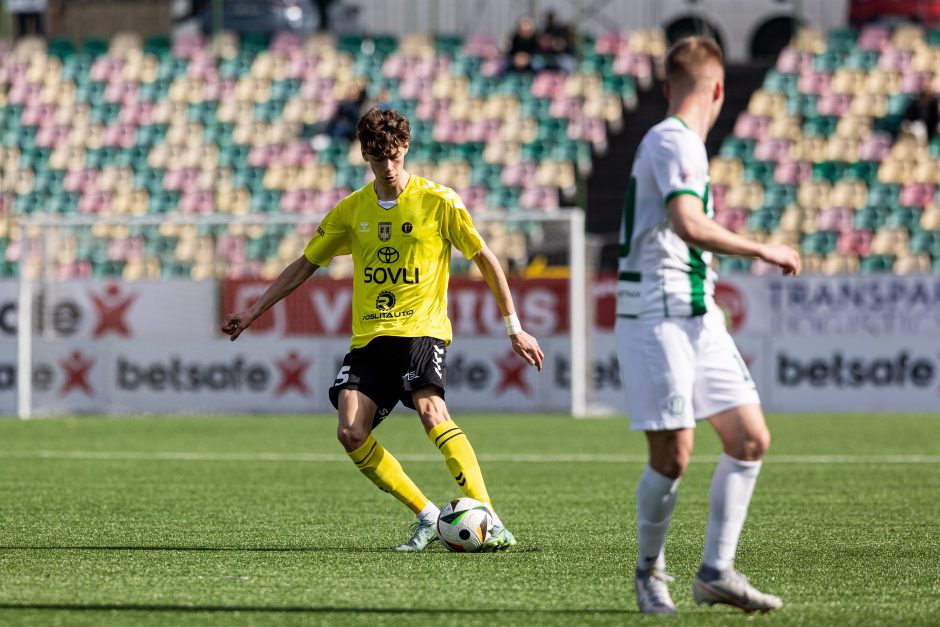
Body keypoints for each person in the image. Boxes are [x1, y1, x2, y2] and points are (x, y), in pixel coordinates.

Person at [222, 107, 544, 551]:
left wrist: (515, 327)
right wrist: (254, 310)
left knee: (432, 413)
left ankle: (489, 515)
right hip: (369, 337)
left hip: (421, 330)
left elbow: (485, 259)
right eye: (378, 158)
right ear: (365, 156)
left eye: (393, 155)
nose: (388, 167)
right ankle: (429, 516)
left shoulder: (439, 201)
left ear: (405, 149)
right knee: (350, 432)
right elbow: (304, 264)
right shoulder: (352, 211)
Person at [615, 37, 800, 614]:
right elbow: (688, 222)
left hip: (697, 310)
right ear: (719, 89)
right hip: (656, 312)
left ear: (670, 87)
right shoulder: (675, 141)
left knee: (749, 439)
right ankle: (649, 574)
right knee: (673, 456)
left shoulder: (679, 141)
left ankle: (716, 571)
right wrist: (761, 248)